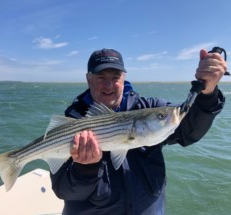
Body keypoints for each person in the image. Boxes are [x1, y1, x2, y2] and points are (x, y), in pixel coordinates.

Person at [50, 48, 227, 215]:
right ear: (89, 79)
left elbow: (188, 131)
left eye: (116, 77)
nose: (109, 85)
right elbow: (63, 191)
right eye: (101, 77)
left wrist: (208, 92)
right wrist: (85, 169)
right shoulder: (73, 123)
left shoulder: (150, 108)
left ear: (124, 77)